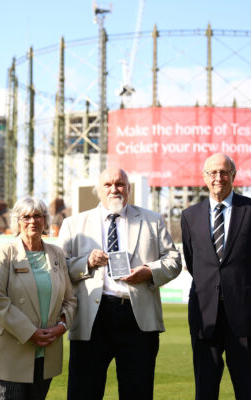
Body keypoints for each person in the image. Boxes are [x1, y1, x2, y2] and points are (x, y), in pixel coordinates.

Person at [58, 167, 182, 400]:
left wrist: (149, 271)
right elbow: (59, 268)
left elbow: (174, 260)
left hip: (137, 319)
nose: (114, 189)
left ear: (129, 189)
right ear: (99, 190)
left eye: (120, 184)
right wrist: (86, 262)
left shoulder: (152, 220)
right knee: (83, 392)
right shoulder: (74, 224)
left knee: (138, 392)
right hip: (92, 318)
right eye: (108, 185)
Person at [181, 153, 251, 400]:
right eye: (212, 173)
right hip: (205, 317)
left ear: (233, 175)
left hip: (246, 316)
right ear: (204, 177)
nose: (218, 178)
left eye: (224, 172)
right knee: (205, 390)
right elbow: (193, 263)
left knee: (249, 390)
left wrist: (239, 287)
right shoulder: (189, 216)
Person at [0, 197, 76, 400]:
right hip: (11, 350)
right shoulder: (3, 253)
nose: (32, 221)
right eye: (26, 217)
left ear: (45, 220)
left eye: (37, 216)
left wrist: (61, 326)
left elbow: (70, 299)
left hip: (46, 351)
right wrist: (30, 332)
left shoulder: (57, 254)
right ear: (17, 221)